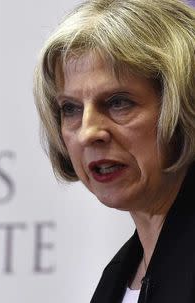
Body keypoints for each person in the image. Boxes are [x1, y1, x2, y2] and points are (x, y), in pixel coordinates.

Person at [33, 0, 195, 302]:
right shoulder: (117, 277)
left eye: (118, 102)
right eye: (70, 108)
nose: (87, 132)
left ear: (184, 106)